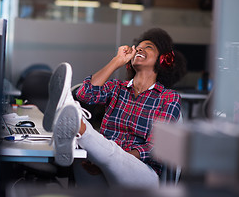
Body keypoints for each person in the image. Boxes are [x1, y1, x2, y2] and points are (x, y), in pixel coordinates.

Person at [44, 28, 186, 188]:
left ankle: (75, 122)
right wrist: (117, 60)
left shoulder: (168, 97)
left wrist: (111, 158)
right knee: (80, 160)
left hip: (143, 173)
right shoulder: (116, 87)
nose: (139, 49)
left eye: (148, 47)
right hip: (100, 163)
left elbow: (154, 147)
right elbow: (85, 94)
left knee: (108, 151)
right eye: (138, 47)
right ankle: (73, 121)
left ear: (162, 60)